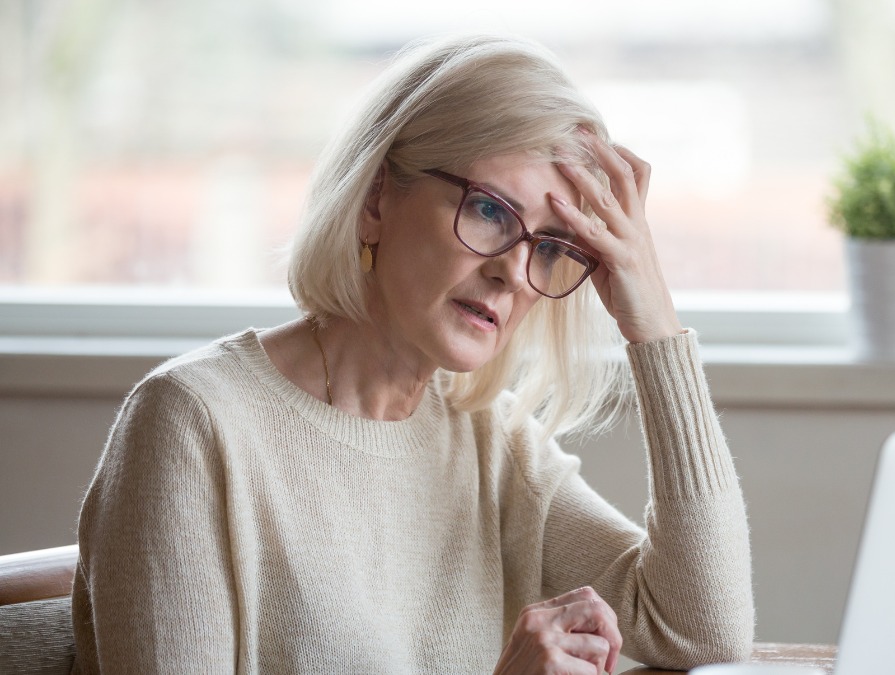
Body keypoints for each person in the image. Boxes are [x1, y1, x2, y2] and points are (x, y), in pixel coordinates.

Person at [70, 33, 754, 674]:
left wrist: (654, 323)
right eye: (490, 210)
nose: (515, 273)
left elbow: (700, 624)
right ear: (375, 199)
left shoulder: (494, 442)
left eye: (550, 247)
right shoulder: (191, 424)